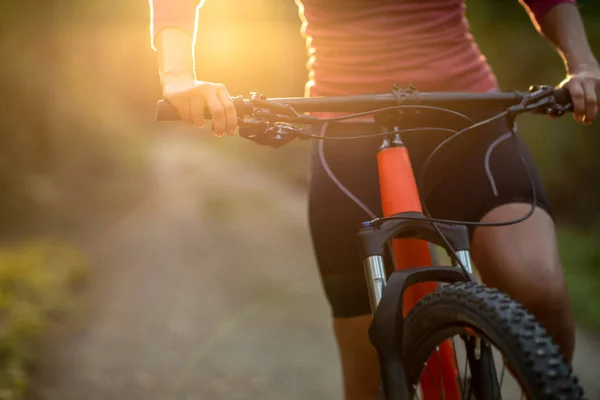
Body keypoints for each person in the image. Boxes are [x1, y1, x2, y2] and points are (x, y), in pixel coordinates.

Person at [150, 1, 599, 398]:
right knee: (369, 368)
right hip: (347, 134)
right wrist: (177, 75)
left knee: (537, 287)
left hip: (466, 119)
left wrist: (582, 63)